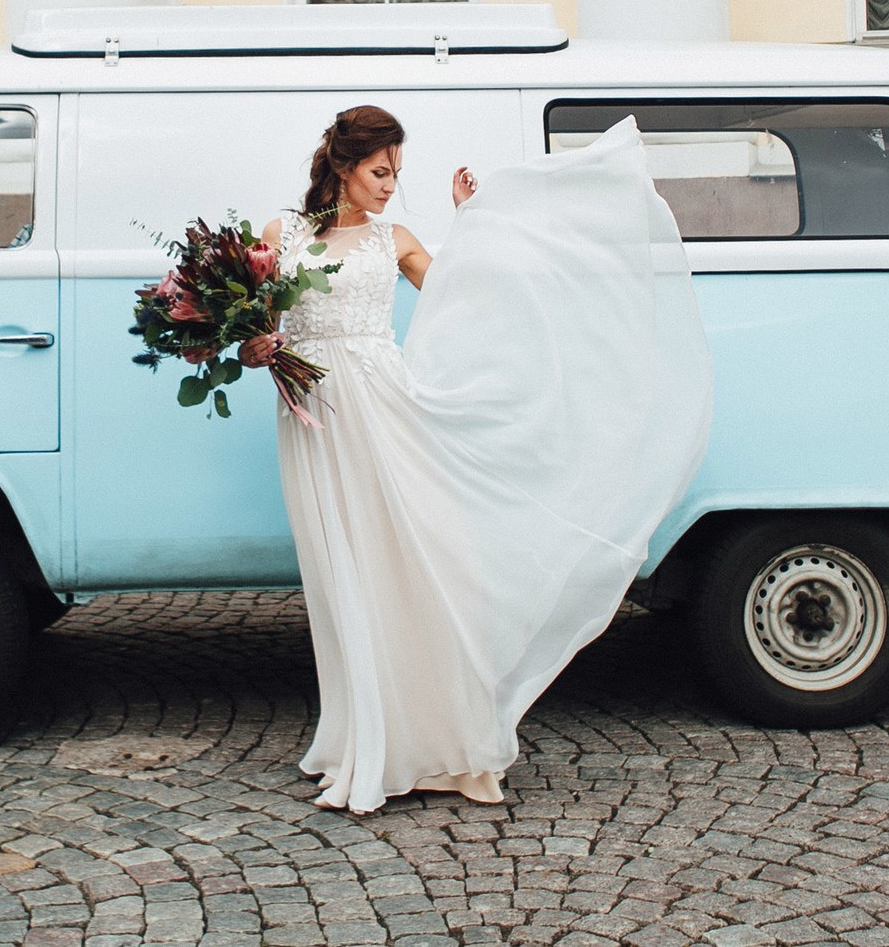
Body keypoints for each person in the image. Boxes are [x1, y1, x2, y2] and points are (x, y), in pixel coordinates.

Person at [246, 104, 715, 814]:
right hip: (312, 420)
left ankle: (434, 739)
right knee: (338, 578)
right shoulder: (281, 235)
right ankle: (355, 737)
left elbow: (468, 291)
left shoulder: (393, 240)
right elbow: (259, 331)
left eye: (396, 174)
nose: (389, 186)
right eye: (379, 171)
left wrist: (475, 223)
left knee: (399, 571)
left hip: (385, 415)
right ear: (343, 165)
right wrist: (253, 347)